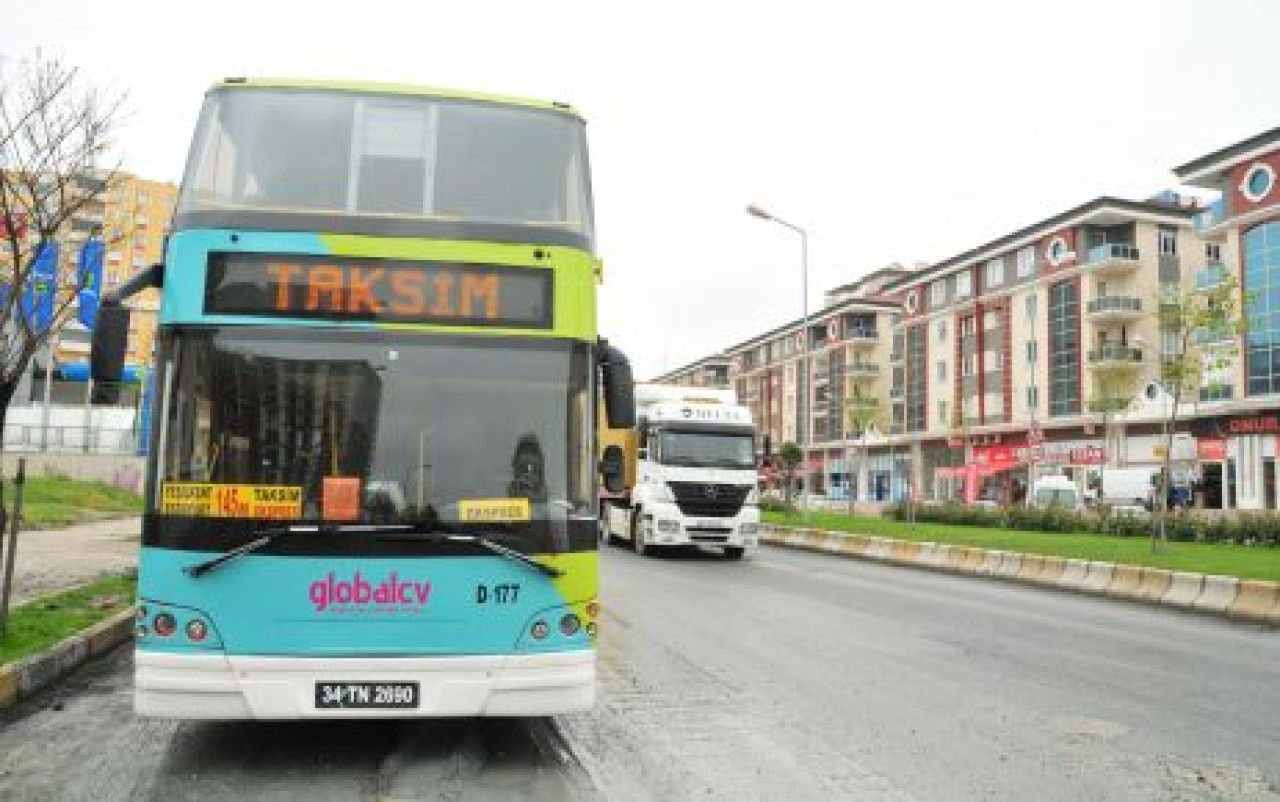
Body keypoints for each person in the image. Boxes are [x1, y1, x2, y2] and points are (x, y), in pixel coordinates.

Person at [508, 433, 548, 502]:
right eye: (523, 468)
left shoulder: (556, 503)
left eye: (533, 469)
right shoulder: (505, 495)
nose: (527, 476)